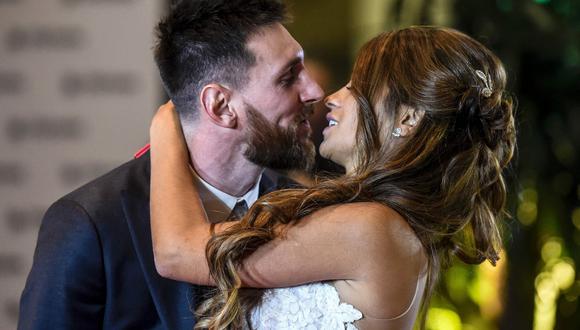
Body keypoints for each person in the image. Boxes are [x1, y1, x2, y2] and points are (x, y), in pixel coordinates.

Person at [149, 26, 516, 329]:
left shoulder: (371, 228)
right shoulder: (382, 223)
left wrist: (167, 122)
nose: (332, 98)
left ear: (407, 119)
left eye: (357, 89)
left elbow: (180, 252)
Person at [18, 1, 322, 329]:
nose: (314, 91)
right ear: (220, 106)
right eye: (289, 76)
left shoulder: (306, 210)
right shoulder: (91, 224)